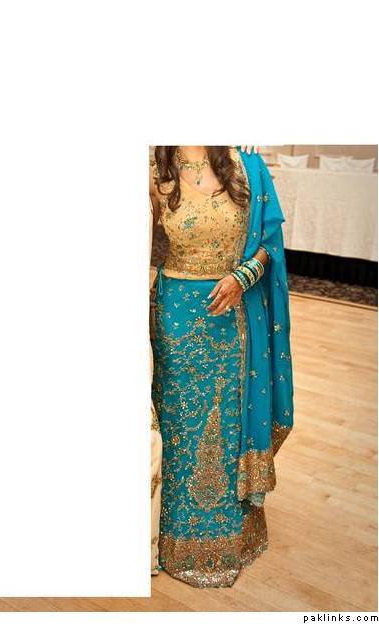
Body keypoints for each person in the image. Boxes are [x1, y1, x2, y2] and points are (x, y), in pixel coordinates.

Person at [149, 146, 294, 588]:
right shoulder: (152, 170)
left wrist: (241, 277)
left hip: (232, 321)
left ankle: (228, 536)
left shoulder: (246, 166)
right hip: (175, 319)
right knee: (178, 425)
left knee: (228, 422)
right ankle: (169, 539)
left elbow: (269, 244)